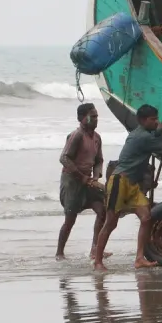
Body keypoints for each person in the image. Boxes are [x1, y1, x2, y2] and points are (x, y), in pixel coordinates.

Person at [92, 104, 162, 271]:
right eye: (153, 119)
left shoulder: (140, 134)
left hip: (132, 185)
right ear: (142, 120)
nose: (156, 122)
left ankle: (139, 258)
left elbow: (152, 138)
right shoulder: (143, 138)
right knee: (111, 223)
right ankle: (97, 261)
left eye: (156, 118)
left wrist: (158, 131)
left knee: (146, 217)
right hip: (119, 182)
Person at [57, 103, 107, 261]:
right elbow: (64, 158)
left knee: (102, 211)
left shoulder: (97, 138)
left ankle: (95, 249)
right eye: (93, 116)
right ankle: (59, 252)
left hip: (88, 181)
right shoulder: (76, 135)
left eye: (97, 116)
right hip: (72, 180)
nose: (96, 119)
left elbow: (99, 160)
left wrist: (96, 175)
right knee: (70, 219)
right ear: (82, 118)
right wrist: (81, 177)